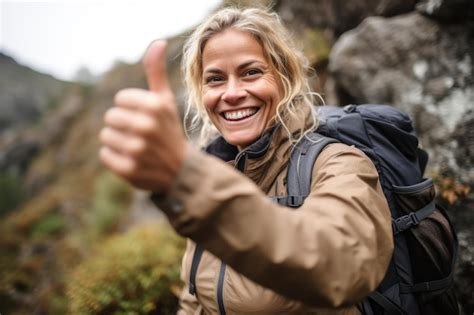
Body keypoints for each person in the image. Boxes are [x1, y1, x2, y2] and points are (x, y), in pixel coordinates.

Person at [99, 7, 393, 314]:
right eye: (214, 79)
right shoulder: (214, 173)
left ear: (284, 77)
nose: (232, 93)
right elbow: (194, 300)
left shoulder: (338, 163)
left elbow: (343, 269)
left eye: (251, 72)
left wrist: (187, 180)